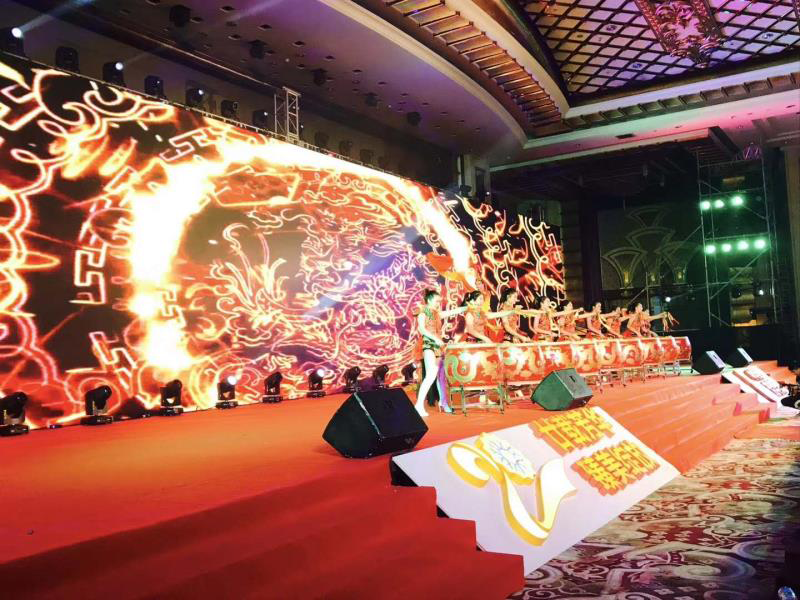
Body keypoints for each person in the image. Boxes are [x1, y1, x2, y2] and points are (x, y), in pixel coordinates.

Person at [414, 289, 466, 417]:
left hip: (438, 346)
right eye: (437, 301)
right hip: (429, 345)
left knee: (441, 377)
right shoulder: (422, 313)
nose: (439, 303)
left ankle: (443, 403)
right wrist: (435, 338)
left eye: (439, 301)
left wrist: (466, 307)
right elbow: (422, 329)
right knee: (431, 375)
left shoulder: (437, 314)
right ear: (429, 300)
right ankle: (418, 405)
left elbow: (452, 312)